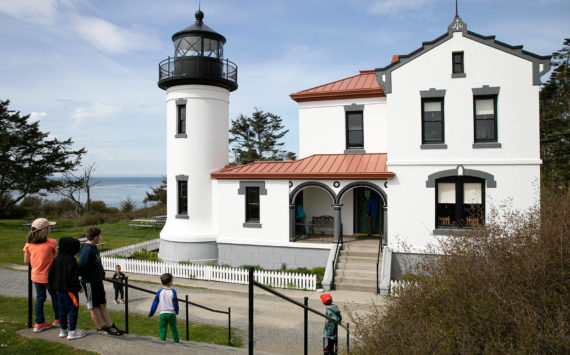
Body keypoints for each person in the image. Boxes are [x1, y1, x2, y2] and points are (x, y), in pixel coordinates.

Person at [77, 227, 124, 336]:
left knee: (102, 304)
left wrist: (101, 274)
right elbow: (80, 267)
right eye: (99, 236)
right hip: (90, 282)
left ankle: (110, 326)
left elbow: (96, 263)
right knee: (94, 306)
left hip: (97, 281)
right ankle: (100, 328)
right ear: (95, 237)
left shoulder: (93, 247)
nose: (100, 238)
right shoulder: (87, 249)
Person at [23, 217, 60, 333]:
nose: (50, 228)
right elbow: (55, 255)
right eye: (49, 227)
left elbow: (26, 261)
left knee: (40, 299)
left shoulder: (29, 244)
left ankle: (39, 323)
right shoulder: (52, 242)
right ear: (45, 230)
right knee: (55, 297)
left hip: (36, 277)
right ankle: (58, 319)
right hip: (49, 277)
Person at [48, 237, 86, 340]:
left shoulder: (56, 259)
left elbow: (50, 274)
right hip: (70, 290)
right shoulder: (71, 260)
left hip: (59, 290)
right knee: (73, 309)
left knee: (62, 309)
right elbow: (72, 277)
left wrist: (53, 286)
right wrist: (79, 287)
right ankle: (72, 331)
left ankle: (63, 329)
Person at [148, 273, 180, 343]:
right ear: (170, 282)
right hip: (171, 313)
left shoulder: (159, 292)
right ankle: (176, 342)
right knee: (174, 329)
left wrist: (151, 313)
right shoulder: (173, 291)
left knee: (163, 329)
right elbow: (175, 303)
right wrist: (177, 311)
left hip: (162, 313)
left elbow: (155, 303)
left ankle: (162, 342)